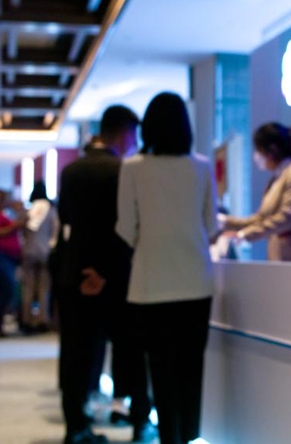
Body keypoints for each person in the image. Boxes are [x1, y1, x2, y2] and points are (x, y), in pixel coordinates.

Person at [116, 92, 217, 444]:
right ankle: (189, 437)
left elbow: (126, 229)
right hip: (196, 283)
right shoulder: (202, 167)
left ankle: (169, 439)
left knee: (161, 372)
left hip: (150, 285)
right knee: (192, 372)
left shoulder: (132, 168)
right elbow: (212, 225)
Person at [58, 105, 154, 444]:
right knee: (130, 350)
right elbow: (125, 227)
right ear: (125, 132)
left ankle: (76, 426)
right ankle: (140, 420)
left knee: (76, 354)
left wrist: (88, 271)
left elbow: (68, 221)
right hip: (116, 277)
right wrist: (105, 271)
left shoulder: (70, 171)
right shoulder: (124, 171)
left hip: (77, 276)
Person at [220, 123, 291, 263]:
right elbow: (262, 218)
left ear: (272, 150)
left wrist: (245, 234)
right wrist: (225, 222)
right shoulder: (278, 177)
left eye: (258, 150)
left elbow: (286, 218)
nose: (256, 156)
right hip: (283, 263)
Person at [20, 181, 59, 333]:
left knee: (28, 287)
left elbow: (23, 232)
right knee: (43, 288)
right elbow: (55, 232)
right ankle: (42, 319)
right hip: (45, 252)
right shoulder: (51, 211)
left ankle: (27, 319)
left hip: (29, 251)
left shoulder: (28, 211)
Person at [0, 190, 25, 337]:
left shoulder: (7, 213)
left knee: (7, 291)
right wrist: (14, 226)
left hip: (10, 257)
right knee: (6, 289)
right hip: (2, 256)